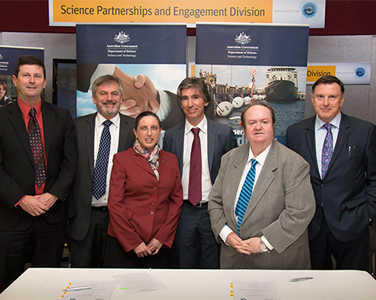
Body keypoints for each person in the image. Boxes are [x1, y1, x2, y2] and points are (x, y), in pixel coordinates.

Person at [0, 55, 77, 294]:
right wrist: (22, 200)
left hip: (50, 218)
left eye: (37, 76)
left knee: (48, 288)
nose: (31, 81)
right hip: (9, 218)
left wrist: (53, 195)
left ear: (44, 82)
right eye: (26, 75)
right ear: (15, 80)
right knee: (10, 289)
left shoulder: (61, 117)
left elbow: (70, 163)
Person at [208, 101, 315, 269]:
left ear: (273, 125)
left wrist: (265, 242)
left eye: (264, 122)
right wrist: (225, 233)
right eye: (252, 123)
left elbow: (299, 213)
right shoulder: (229, 159)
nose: (258, 127)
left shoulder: (294, 163)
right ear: (244, 128)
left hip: (274, 260)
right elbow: (215, 201)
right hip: (233, 259)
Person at [286, 75, 376, 271]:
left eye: (332, 97)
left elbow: (374, 177)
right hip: (310, 226)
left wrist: (368, 213)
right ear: (312, 99)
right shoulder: (296, 132)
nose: (325, 103)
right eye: (320, 97)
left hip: (352, 223)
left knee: (354, 287)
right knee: (314, 288)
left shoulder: (364, 131)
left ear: (342, 99)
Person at [163, 77, 237, 269]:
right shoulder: (171, 136)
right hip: (183, 212)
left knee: (213, 267)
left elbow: (233, 177)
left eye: (195, 97)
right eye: (185, 98)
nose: (190, 103)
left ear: (205, 100)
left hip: (214, 212)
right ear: (180, 103)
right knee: (184, 267)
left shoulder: (223, 133)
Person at [67, 75, 135, 267]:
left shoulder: (135, 129)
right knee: (82, 281)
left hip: (122, 220)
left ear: (122, 98)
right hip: (84, 219)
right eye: (103, 94)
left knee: (118, 280)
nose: (109, 98)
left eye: (114, 93)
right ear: (94, 98)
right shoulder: (76, 127)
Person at [104, 111, 183, 268]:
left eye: (154, 128)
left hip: (159, 244)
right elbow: (115, 204)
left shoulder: (171, 159)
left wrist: (161, 237)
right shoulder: (122, 160)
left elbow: (176, 201)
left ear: (160, 130)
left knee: (160, 290)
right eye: (143, 128)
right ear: (135, 132)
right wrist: (133, 242)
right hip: (127, 243)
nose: (149, 133)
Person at [77, 64, 186, 130]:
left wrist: (153, 102)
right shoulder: (79, 126)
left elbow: (197, 116)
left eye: (114, 93)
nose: (109, 98)